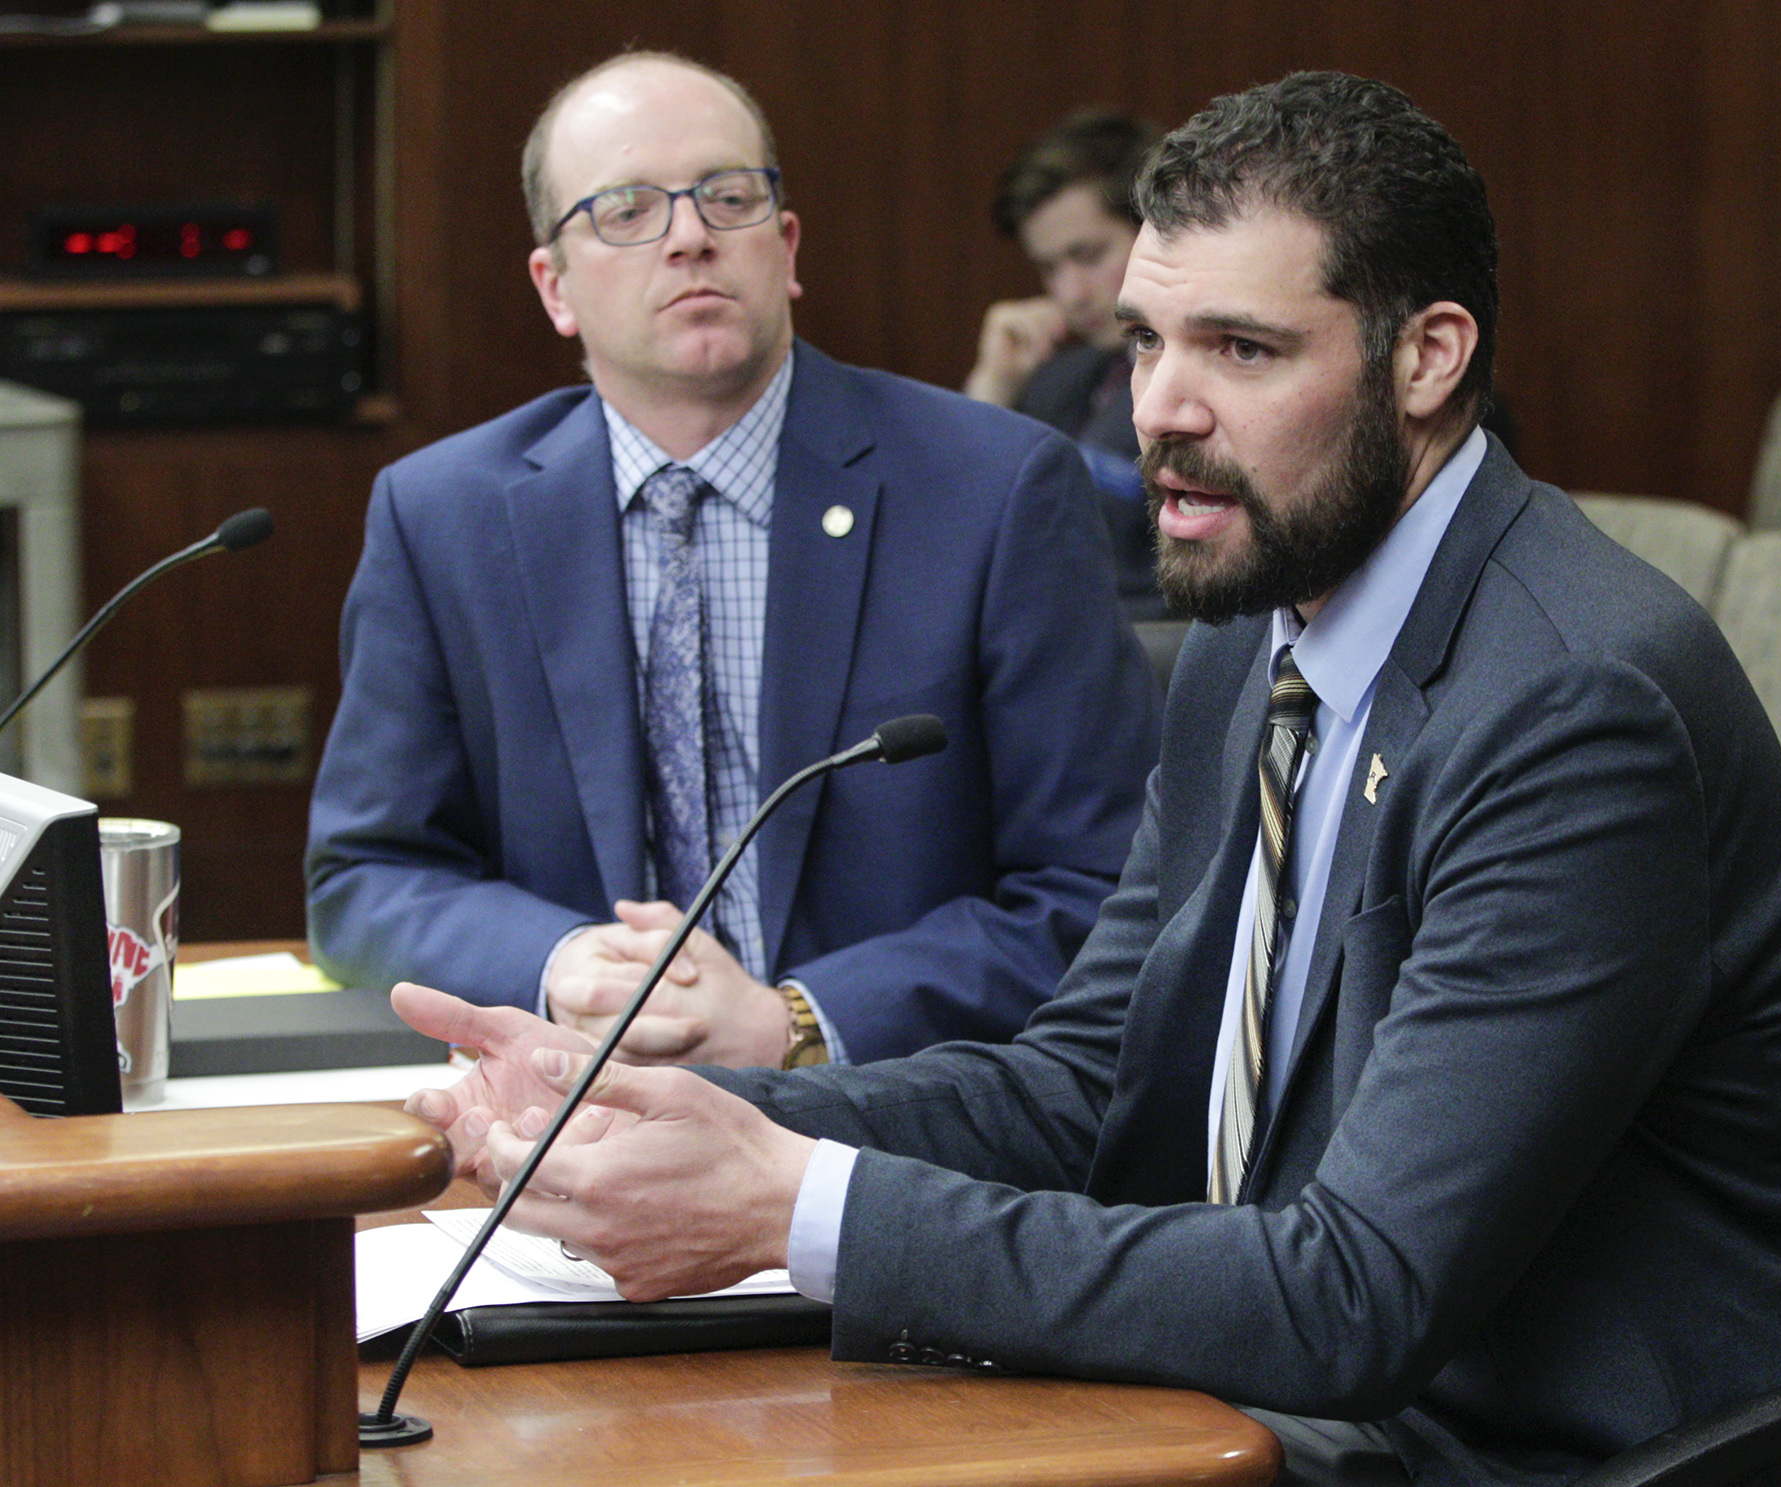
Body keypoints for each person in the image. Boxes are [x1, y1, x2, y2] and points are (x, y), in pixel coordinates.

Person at [396, 72, 1781, 1485]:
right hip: (1280, 1408)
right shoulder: (1254, 637)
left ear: (1428, 357)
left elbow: (1356, 1290)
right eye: (1147, 343)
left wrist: (793, 1201)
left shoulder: (1570, 709)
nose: (1160, 408)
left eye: (1242, 349)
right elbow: (1083, 1083)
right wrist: (673, 1113)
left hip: (1522, 1450)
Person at [306, 52, 1159, 1070]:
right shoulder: (444, 515)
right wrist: (559, 959)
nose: (690, 237)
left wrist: (796, 1021)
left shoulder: (993, 487)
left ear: (786, 247)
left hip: (889, 1137)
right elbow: (365, 876)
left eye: (728, 196)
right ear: (555, 286)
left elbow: (1103, 887)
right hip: (573, 1120)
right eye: (626, 209)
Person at [964, 111, 1166, 618]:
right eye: (1050, 267)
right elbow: (960, 533)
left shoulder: (1213, 375)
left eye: (1090, 255)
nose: (1070, 294)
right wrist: (993, 388)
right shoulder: (1056, 379)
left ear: (1156, 230)